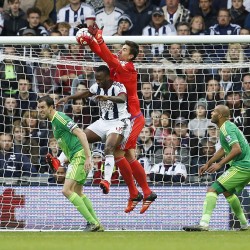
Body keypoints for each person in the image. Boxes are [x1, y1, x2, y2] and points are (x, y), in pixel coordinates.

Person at [61, 23, 157, 214]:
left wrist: (98, 37)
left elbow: (106, 56)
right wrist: (90, 40)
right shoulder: (117, 67)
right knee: (127, 155)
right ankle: (144, 192)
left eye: (124, 50)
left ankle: (138, 193)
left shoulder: (127, 67)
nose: (120, 51)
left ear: (130, 56)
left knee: (121, 155)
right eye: (121, 49)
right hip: (127, 117)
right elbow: (102, 55)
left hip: (133, 117)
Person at [37, 95, 103, 232]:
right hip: (75, 156)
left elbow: (81, 134)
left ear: (51, 107)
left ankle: (92, 222)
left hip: (80, 156)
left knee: (66, 190)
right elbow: (69, 145)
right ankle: (97, 223)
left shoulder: (60, 118)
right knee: (78, 192)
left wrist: (88, 156)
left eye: (43, 107)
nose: (40, 110)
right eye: (38, 108)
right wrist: (60, 161)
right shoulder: (53, 122)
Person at [183, 105, 250, 231]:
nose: (211, 113)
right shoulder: (227, 127)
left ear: (219, 115)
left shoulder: (226, 128)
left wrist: (219, 164)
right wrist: (208, 163)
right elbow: (224, 149)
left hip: (242, 166)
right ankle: (244, 224)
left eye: (214, 111)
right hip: (245, 165)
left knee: (212, 190)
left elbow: (236, 149)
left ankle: (203, 224)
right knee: (227, 192)